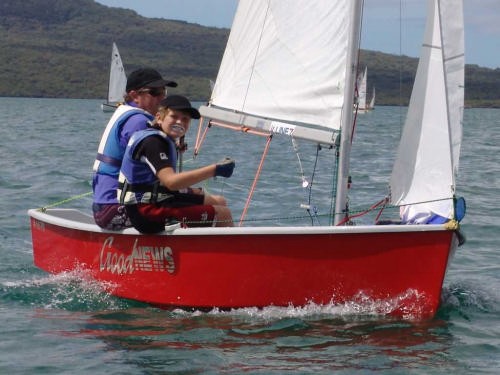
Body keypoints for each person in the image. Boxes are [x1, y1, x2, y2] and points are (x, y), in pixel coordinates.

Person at [117, 95, 235, 233]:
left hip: (158, 202)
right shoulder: (153, 143)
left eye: (185, 119)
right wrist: (215, 170)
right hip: (145, 213)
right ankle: (230, 253)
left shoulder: (161, 139)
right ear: (159, 117)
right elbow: (171, 182)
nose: (180, 122)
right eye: (174, 116)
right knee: (223, 214)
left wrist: (192, 191)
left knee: (219, 201)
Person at [92, 68, 177, 230]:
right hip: (116, 209)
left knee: (196, 199)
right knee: (211, 210)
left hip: (104, 206)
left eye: (163, 92)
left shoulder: (126, 114)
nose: (162, 98)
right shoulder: (138, 122)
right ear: (134, 96)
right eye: (155, 92)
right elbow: (161, 172)